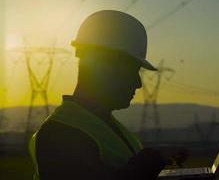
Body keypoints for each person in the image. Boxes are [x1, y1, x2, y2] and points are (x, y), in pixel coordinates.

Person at [28, 10, 187, 180]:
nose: (138, 83)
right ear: (102, 64)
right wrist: (152, 158)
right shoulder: (60, 134)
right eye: (132, 71)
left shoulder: (106, 127)